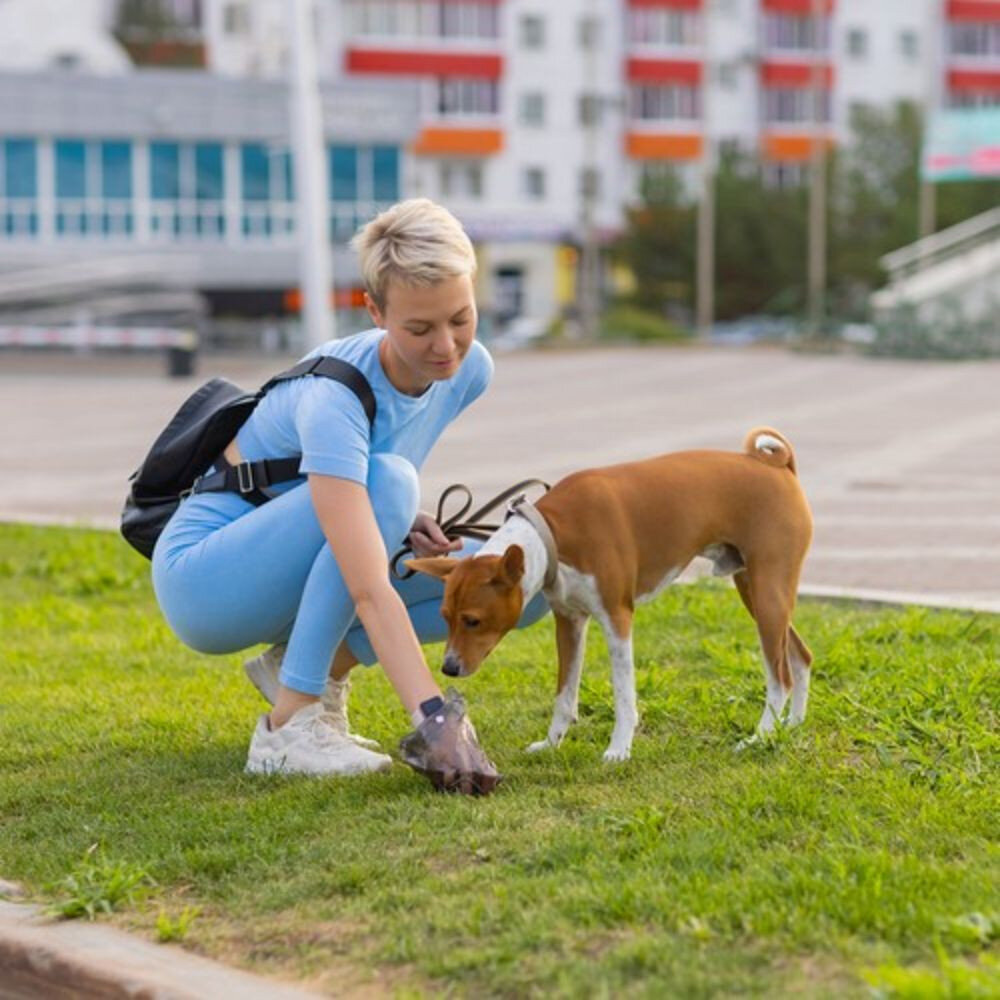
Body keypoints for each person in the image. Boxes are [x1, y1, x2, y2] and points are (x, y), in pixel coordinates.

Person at [150, 198, 546, 791]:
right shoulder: (334, 397)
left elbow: (359, 483)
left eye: (461, 318)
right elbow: (366, 578)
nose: (446, 345)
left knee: (522, 588)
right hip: (206, 580)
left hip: (301, 545)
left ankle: (305, 667)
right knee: (387, 484)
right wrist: (435, 720)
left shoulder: (470, 370)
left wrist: (402, 518)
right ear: (375, 313)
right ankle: (289, 727)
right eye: (419, 328)